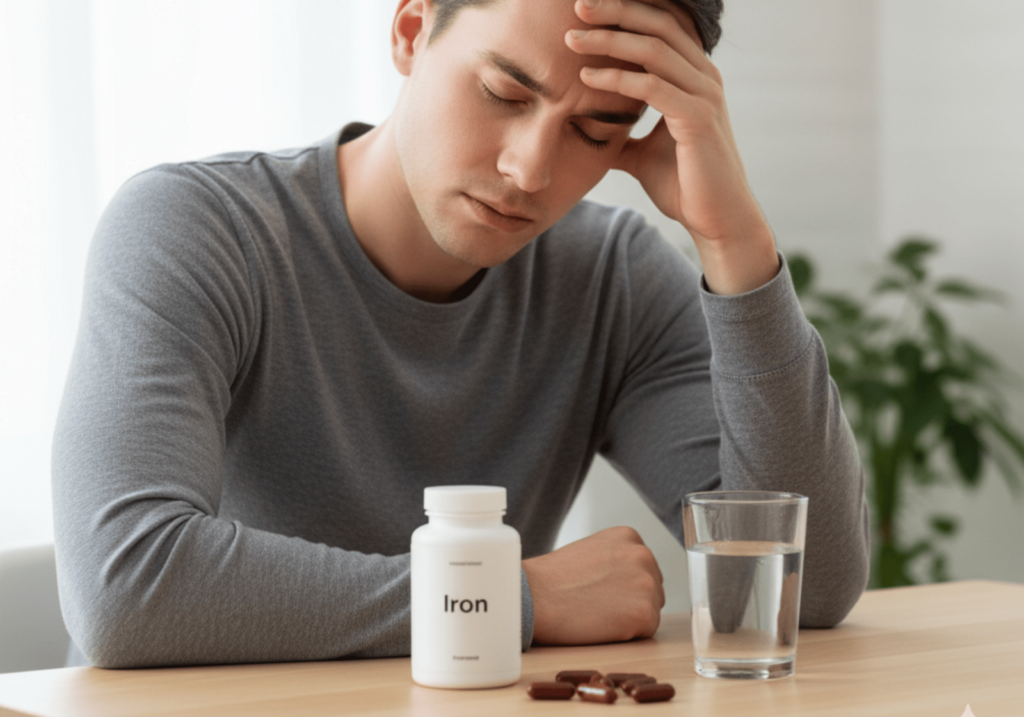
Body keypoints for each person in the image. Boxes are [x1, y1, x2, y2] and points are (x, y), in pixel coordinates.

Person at [52, 0, 869, 668]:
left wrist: (735, 243)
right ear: (411, 30)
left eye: (595, 131)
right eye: (504, 93)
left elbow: (810, 589)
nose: (530, 170)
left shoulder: (612, 279)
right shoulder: (194, 231)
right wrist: (507, 595)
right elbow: (126, 588)